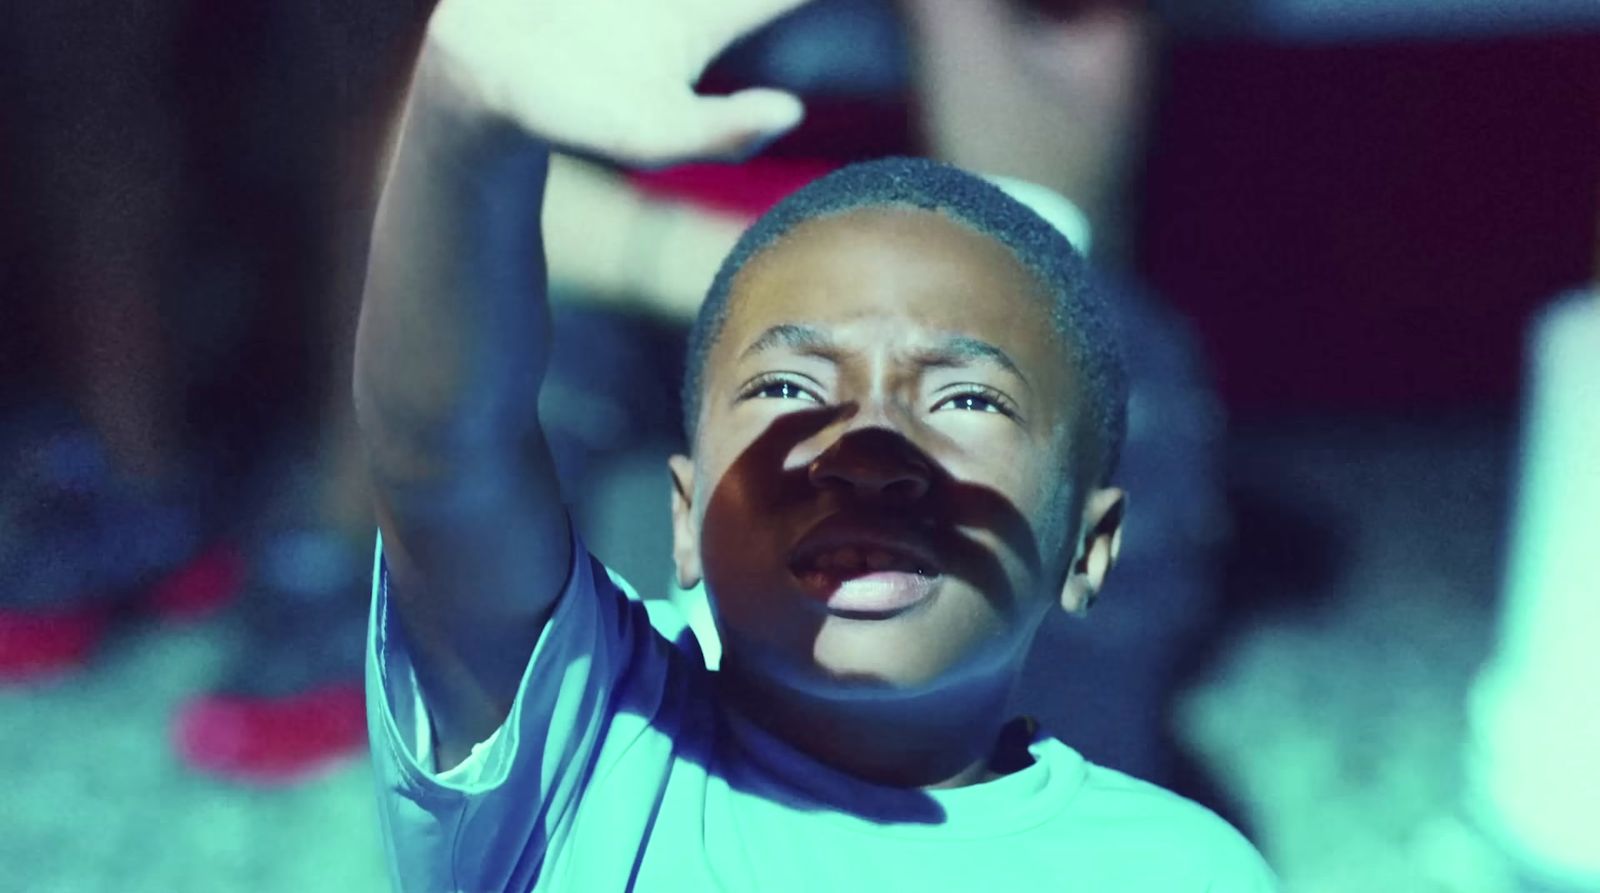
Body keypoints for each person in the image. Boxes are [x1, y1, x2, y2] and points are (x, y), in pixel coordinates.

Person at [355, 0, 1277, 889]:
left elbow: (1053, 220)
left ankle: (1070, 760)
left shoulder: (1189, 863)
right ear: (688, 518)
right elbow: (441, 418)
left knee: (1123, 367)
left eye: (959, 403)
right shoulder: (601, 786)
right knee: (515, 388)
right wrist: (473, 112)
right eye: (798, 399)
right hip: (639, 274)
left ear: (1089, 544)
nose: (872, 453)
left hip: (949, 279)